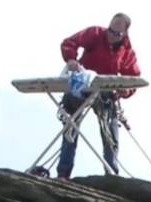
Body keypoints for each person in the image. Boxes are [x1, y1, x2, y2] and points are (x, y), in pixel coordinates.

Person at [56, 13, 141, 179]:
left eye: (116, 34)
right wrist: (71, 59)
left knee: (110, 128)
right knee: (70, 125)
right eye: (110, 30)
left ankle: (111, 174)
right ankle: (63, 173)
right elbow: (69, 42)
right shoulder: (95, 33)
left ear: (124, 34)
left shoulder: (127, 51)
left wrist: (126, 90)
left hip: (106, 90)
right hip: (82, 84)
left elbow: (134, 78)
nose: (111, 36)